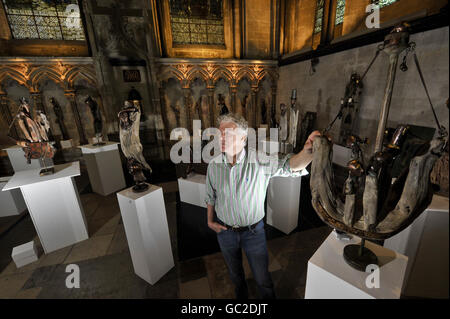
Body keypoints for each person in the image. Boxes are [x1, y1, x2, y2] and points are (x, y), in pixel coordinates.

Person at [205, 112, 321, 299]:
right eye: (220, 134)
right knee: (235, 276)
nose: (222, 138)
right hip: (225, 232)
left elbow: (289, 166)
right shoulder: (214, 165)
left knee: (262, 279)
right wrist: (210, 221)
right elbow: (211, 196)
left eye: (228, 133)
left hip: (253, 233)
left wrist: (309, 151)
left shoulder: (259, 160)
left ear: (243, 138)